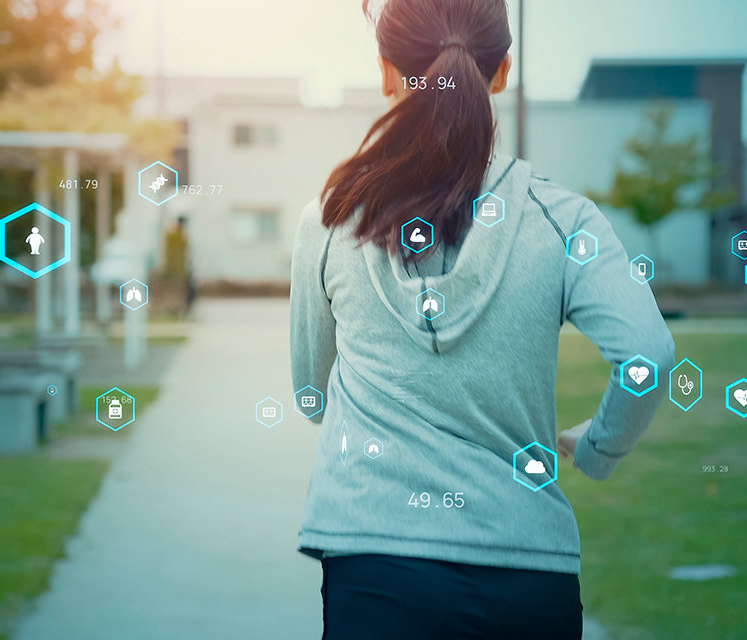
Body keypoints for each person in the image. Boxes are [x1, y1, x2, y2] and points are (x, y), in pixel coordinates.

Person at [289, 0, 675, 637]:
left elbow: (310, 394)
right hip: (527, 577)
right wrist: (599, 447)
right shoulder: (563, 219)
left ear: (387, 72)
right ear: (501, 73)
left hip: (374, 567)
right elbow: (649, 358)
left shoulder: (330, 222)